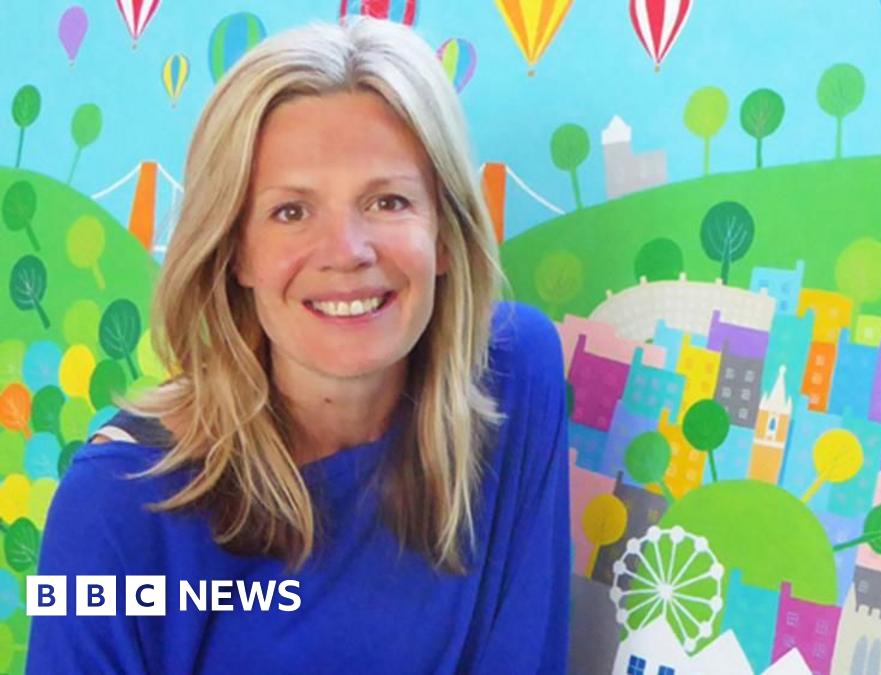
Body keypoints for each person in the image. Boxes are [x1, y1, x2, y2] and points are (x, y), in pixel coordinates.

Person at [28, 19, 570, 674]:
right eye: (291, 211)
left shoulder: (514, 375)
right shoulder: (113, 506)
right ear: (236, 251)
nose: (347, 252)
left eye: (388, 201)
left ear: (446, 235)